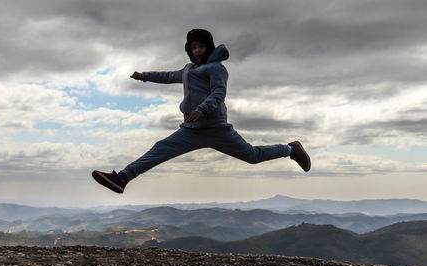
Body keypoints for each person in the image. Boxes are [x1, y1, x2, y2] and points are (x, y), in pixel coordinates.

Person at [92, 28, 310, 194]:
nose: (197, 50)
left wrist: (201, 110)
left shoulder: (216, 68)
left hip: (216, 129)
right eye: (193, 47)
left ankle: (291, 149)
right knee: (159, 149)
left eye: (201, 46)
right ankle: (122, 179)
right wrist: (144, 75)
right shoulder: (188, 70)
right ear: (189, 49)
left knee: (252, 156)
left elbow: (218, 94)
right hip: (190, 130)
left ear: (209, 47)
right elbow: (168, 76)